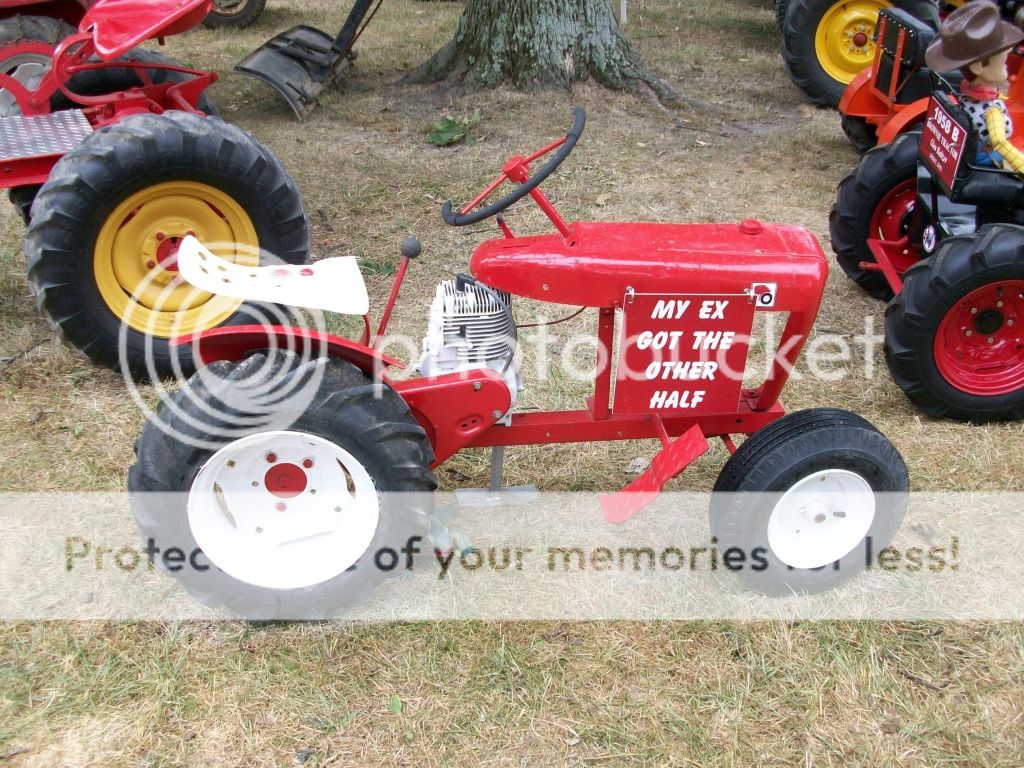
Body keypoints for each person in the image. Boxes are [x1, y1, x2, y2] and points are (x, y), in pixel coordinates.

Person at [925, 0, 1024, 171]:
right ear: (978, 67)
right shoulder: (992, 111)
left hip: (972, 152)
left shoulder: (964, 97)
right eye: (1002, 61)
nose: (1006, 64)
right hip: (987, 157)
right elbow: (999, 142)